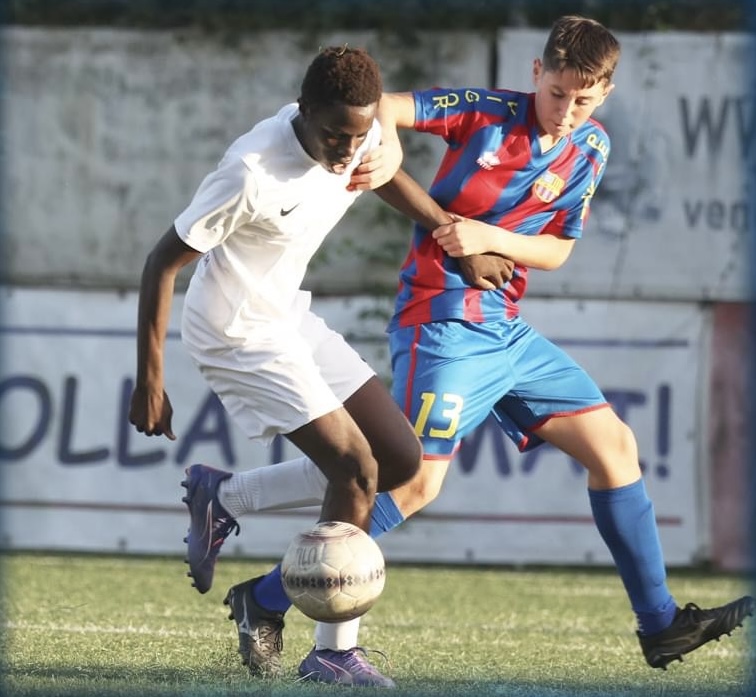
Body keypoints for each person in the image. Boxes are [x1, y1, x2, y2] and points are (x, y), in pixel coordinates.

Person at [180, 14, 754, 686]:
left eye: (585, 98)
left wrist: (486, 236)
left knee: (615, 447)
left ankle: (660, 623)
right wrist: (389, 159)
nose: (567, 111)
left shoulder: (591, 149)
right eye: (558, 93)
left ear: (606, 94)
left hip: (506, 328)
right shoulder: (483, 112)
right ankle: (268, 598)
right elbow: (389, 109)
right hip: (442, 318)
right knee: (412, 478)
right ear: (536, 75)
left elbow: (559, 249)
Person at [127, 46, 446, 688]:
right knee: (355, 468)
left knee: (402, 459)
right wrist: (150, 380)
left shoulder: (360, 133)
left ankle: (226, 497)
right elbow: (162, 264)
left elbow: (380, 172)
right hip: (234, 329)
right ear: (303, 111)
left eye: (357, 137)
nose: (344, 150)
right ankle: (333, 652)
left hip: (286, 314)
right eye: (333, 135)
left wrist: (446, 229)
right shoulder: (250, 171)